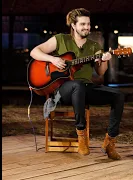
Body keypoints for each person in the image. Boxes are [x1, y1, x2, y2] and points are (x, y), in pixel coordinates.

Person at [30, 8, 124, 160]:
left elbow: (100, 72)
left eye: (88, 24)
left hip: (86, 89)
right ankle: (81, 135)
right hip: (63, 89)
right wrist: (53, 59)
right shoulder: (61, 39)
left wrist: (105, 60)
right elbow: (34, 52)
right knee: (77, 85)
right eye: (83, 24)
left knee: (118, 96)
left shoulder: (94, 46)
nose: (87, 27)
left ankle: (110, 142)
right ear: (73, 25)